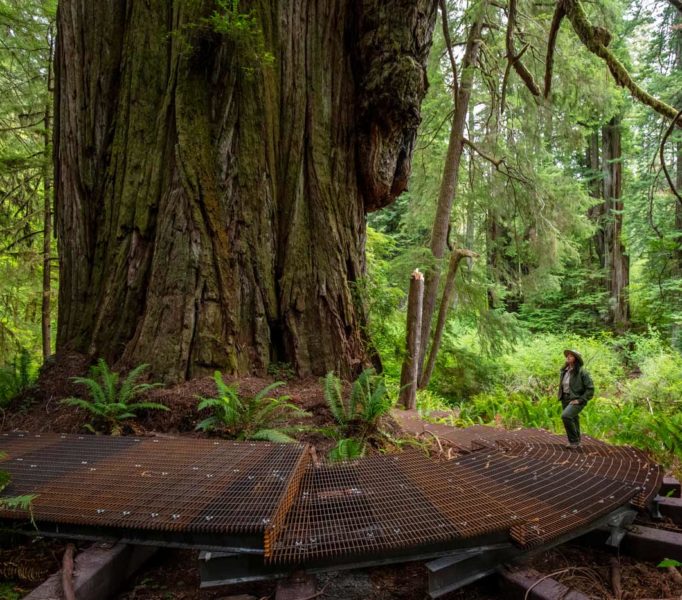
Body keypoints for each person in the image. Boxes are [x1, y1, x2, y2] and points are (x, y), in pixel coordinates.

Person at [558, 349, 594, 448]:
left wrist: (580, 400)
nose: (568, 357)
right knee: (573, 418)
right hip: (565, 398)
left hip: (577, 399)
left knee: (566, 416)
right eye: (568, 355)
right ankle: (577, 442)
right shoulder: (564, 371)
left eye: (571, 356)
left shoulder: (582, 372)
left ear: (576, 359)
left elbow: (590, 389)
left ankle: (573, 441)